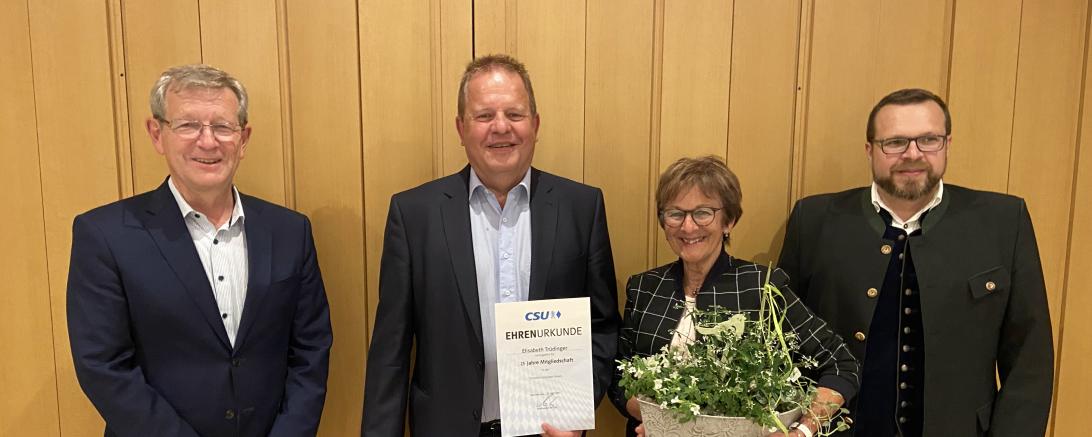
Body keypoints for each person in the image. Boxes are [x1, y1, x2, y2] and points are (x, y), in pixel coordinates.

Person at [360, 54, 621, 437]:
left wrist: (577, 411)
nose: (501, 128)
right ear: (461, 128)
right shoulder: (414, 214)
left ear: (535, 124)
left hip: (550, 431)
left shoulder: (582, 207)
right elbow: (390, 351)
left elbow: (602, 327)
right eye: (484, 116)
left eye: (514, 114)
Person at [66, 64, 333, 437]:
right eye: (188, 125)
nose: (207, 141)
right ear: (157, 134)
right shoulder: (106, 235)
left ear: (243, 139)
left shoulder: (290, 230)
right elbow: (103, 365)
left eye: (222, 127)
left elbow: (311, 350)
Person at [778, 88, 1054, 436]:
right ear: (870, 150)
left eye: (928, 140)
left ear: (947, 144)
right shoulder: (815, 220)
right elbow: (784, 342)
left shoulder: (1003, 222)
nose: (912, 154)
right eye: (894, 143)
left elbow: (1030, 360)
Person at [609, 156, 859, 437]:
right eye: (675, 213)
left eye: (703, 213)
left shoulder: (762, 287)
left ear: (728, 220)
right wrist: (660, 421)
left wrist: (802, 430)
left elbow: (841, 364)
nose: (688, 227)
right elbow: (619, 378)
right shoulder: (644, 287)